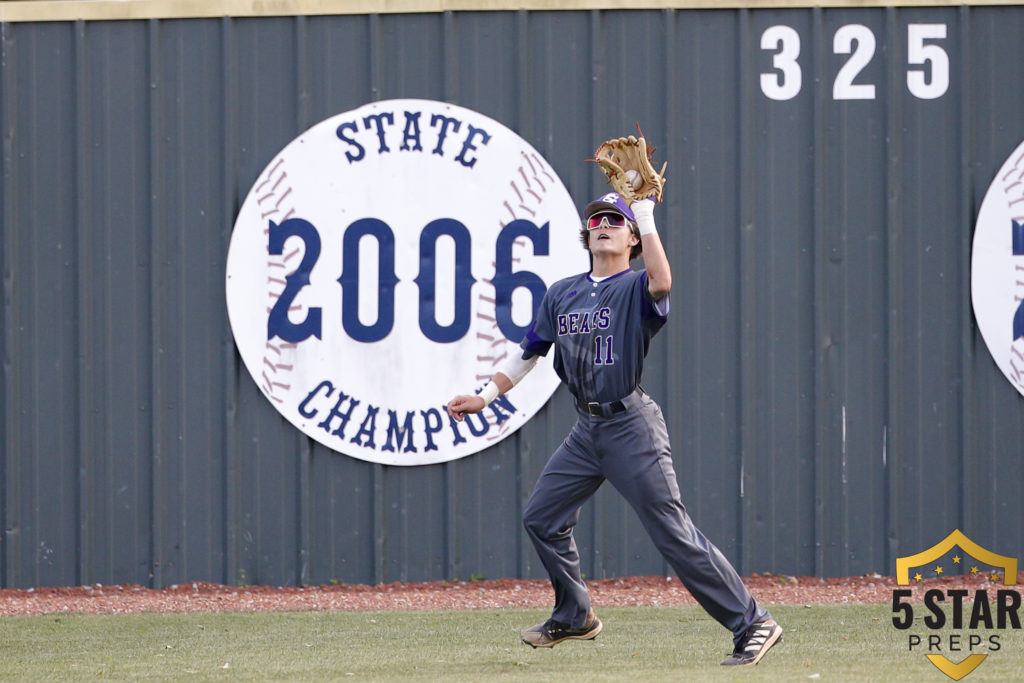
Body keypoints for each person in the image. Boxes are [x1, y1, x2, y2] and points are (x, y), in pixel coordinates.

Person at [446, 191, 782, 666]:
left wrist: (644, 213)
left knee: (672, 533)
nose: (603, 224)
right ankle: (575, 615)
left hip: (631, 426)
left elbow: (663, 283)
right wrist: (484, 395)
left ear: (631, 238)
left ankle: (753, 622)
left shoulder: (637, 284)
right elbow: (529, 352)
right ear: (588, 235)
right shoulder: (561, 291)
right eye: (596, 219)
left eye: (614, 220)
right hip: (587, 430)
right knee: (541, 517)